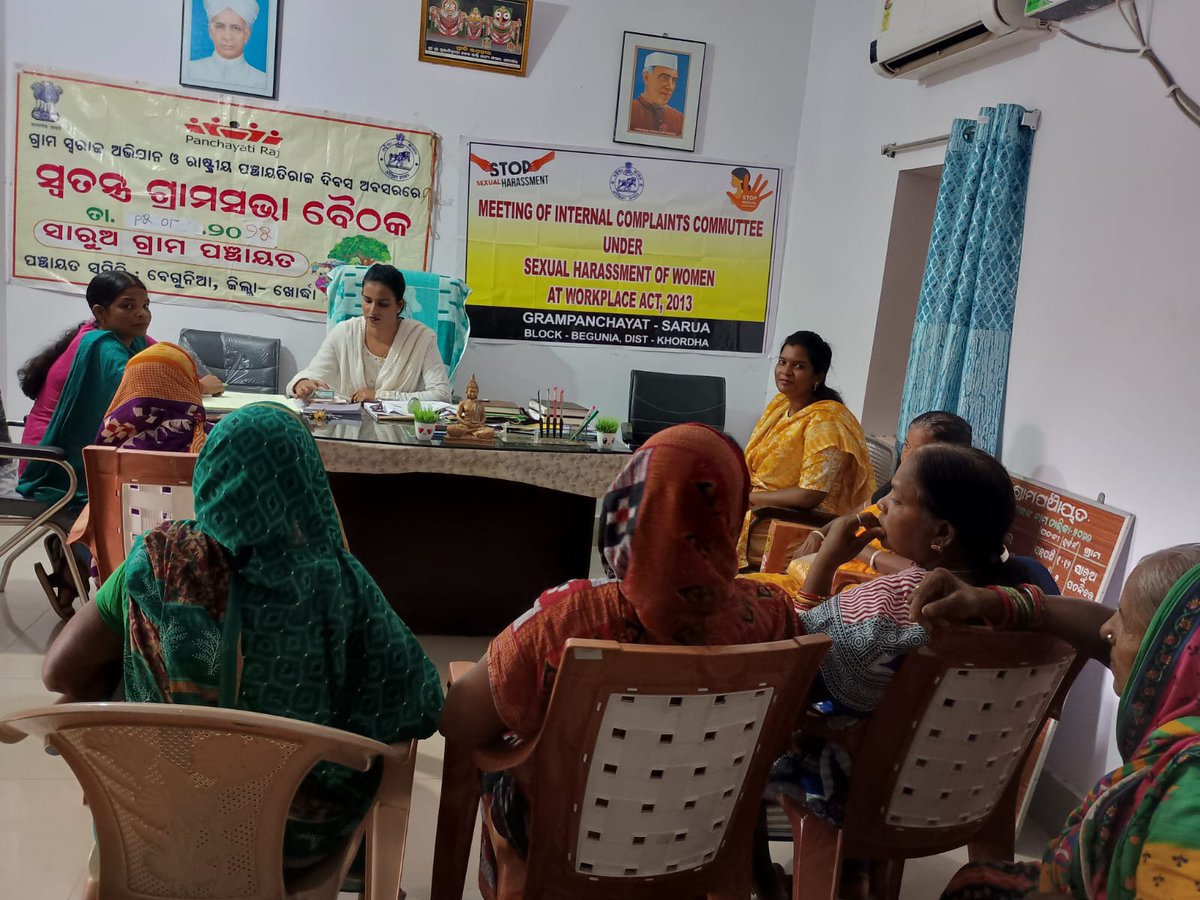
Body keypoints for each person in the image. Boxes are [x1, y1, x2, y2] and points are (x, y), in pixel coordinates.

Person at [41, 403, 443, 868]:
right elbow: (422, 704)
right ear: (308, 482)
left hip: (155, 828)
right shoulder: (340, 582)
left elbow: (60, 675)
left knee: (113, 675)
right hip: (289, 842)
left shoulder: (157, 560)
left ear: (211, 470)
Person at [438, 423, 801, 900]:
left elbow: (460, 720)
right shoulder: (771, 615)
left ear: (627, 502)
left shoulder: (572, 618)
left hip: (563, 840)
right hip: (703, 834)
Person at [753, 443, 1028, 900]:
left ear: (941, 532)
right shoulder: (1018, 607)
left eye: (897, 499)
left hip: (866, 790)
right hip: (964, 786)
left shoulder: (890, 605)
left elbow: (794, 658)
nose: (881, 506)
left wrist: (825, 564)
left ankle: (765, 884)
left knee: (746, 749)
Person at [912, 544, 1200, 900]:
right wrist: (995, 602)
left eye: (1124, 618)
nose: (1106, 630)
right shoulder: (1187, 689)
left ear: (1170, 653)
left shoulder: (1191, 790)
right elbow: (1101, 628)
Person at [748, 411, 974, 598]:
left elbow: (923, 575)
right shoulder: (895, 486)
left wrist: (857, 549)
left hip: (853, 590)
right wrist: (819, 534)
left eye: (921, 451)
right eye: (907, 445)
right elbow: (852, 516)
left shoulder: (946, 510)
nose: (908, 456)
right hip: (826, 577)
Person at [739, 330, 875, 568]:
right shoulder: (780, 405)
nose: (786, 371)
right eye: (782, 362)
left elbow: (810, 495)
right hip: (758, 508)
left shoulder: (825, 422)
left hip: (790, 522)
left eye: (798, 366)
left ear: (817, 376)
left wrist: (747, 498)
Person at [288, 264, 451, 404]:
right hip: (346, 433)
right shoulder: (344, 333)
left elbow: (442, 395)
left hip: (401, 435)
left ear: (399, 305)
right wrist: (302, 383)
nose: (373, 310)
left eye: (383, 304)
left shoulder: (420, 338)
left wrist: (380, 396)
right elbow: (313, 375)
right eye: (367, 301)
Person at [186, 1, 269, 93]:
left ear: (247, 35)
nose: (227, 37)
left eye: (236, 28)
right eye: (220, 27)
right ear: (210, 31)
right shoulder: (190, 70)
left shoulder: (262, 81)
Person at [629, 51, 685, 137]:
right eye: (664, 78)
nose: (670, 86)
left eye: (673, 80)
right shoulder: (629, 111)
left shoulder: (679, 119)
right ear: (646, 77)